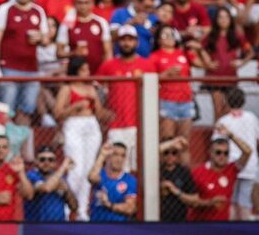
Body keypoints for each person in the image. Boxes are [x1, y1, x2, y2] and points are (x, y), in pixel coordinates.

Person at [96, 25, 155, 172]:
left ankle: (136, 195)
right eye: (123, 40)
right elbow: (95, 88)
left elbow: (154, 94)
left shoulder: (147, 65)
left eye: (130, 40)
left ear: (137, 42)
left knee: (138, 168)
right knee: (115, 167)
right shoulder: (109, 66)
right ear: (118, 43)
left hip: (140, 125)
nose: (126, 43)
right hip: (116, 124)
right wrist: (100, 109)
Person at [0, 0, 49, 126]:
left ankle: (21, 145)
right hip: (9, 67)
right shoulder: (5, 9)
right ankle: (4, 145)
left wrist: (40, 38)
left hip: (31, 68)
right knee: (6, 109)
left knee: (27, 109)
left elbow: (46, 40)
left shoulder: (38, 11)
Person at [53, 56, 103, 221]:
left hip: (91, 125)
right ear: (76, 70)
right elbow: (57, 114)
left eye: (87, 69)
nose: (87, 72)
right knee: (76, 168)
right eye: (83, 69)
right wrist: (74, 107)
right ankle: (68, 208)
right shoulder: (67, 89)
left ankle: (82, 210)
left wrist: (98, 103)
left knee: (88, 168)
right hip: (74, 123)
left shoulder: (91, 88)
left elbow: (100, 113)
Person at [200, 8, 254, 120]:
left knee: (229, 110)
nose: (223, 20)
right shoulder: (211, 35)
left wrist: (241, 62)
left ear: (230, 19)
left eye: (226, 17)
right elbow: (198, 48)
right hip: (214, 77)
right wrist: (207, 62)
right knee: (218, 109)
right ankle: (218, 136)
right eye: (220, 17)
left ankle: (227, 135)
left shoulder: (237, 35)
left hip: (230, 77)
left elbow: (251, 52)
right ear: (216, 20)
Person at [213, 89, 259, 220]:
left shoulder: (224, 120)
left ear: (227, 101)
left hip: (230, 164)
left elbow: (216, 141)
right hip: (249, 163)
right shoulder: (251, 118)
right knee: (245, 201)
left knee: (232, 201)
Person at [189, 125, 252, 221]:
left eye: (226, 153)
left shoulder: (231, 170)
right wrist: (209, 203)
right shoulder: (198, 172)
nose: (222, 156)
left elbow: (247, 151)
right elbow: (190, 201)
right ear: (210, 153)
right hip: (200, 223)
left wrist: (230, 135)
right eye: (218, 152)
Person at [149, 24, 198, 142]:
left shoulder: (183, 54)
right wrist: (166, 74)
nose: (170, 37)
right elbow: (150, 81)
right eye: (165, 35)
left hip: (186, 100)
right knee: (167, 140)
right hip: (167, 100)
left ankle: (183, 161)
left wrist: (199, 49)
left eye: (172, 34)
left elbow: (203, 64)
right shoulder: (154, 57)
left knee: (184, 141)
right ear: (159, 40)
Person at [56, 0, 112, 74]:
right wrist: (74, 53)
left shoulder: (101, 22)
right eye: (80, 3)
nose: (83, 6)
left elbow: (108, 52)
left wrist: (106, 72)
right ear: (74, 4)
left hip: (98, 73)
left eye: (87, 2)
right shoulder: (67, 24)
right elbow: (59, 53)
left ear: (92, 3)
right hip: (75, 75)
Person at [23, 146, 78, 222]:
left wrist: (67, 190)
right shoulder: (31, 175)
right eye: (42, 159)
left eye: (50, 160)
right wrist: (64, 167)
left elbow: (74, 207)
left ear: (55, 163)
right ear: (36, 161)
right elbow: (47, 188)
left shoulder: (61, 177)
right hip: (36, 225)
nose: (47, 163)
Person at [88, 142, 137, 222]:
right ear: (109, 156)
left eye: (122, 156)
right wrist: (102, 155)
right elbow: (91, 178)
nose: (119, 159)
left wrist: (109, 204)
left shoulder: (129, 180)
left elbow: (130, 208)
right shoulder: (101, 175)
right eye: (115, 154)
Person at [0, 135, 32, 221]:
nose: (1, 150)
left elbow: (29, 195)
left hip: (8, 222)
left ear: (9, 150)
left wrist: (21, 172)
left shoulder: (12, 169)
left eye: (4, 147)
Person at [159, 136, 197, 222]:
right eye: (166, 152)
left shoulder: (184, 172)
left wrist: (175, 191)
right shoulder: (156, 170)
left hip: (179, 219)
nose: (170, 156)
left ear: (178, 154)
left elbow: (195, 200)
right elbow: (151, 154)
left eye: (174, 152)